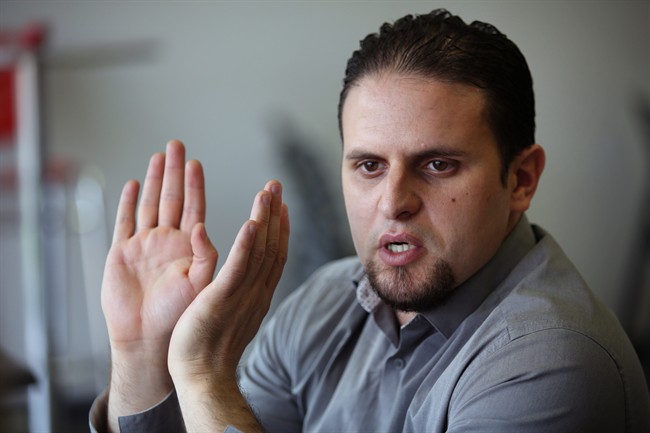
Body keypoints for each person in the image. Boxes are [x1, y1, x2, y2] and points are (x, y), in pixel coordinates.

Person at [90, 9, 650, 433]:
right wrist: (142, 353)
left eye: (437, 165)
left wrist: (204, 372)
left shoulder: (555, 366)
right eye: (368, 165)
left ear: (521, 179)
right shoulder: (324, 304)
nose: (393, 201)